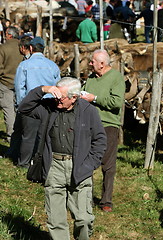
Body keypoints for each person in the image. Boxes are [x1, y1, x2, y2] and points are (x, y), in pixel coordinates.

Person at [17, 78, 107, 240]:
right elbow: (24, 108)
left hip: (80, 168)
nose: (57, 99)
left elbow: (100, 140)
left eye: (62, 96)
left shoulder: (89, 111)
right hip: (54, 166)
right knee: (56, 220)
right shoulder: (49, 107)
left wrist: (90, 164)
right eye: (56, 94)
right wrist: (43, 89)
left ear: (74, 97)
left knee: (84, 219)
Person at [81, 50, 125, 212]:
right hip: (88, 125)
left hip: (108, 126)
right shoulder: (91, 78)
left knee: (108, 164)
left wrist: (95, 99)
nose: (90, 64)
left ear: (102, 63)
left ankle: (106, 200)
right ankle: (86, 197)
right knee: (86, 161)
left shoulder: (116, 78)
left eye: (93, 61)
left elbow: (116, 102)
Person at [14, 37, 61, 168]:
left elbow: (19, 87)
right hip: (49, 104)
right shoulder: (52, 65)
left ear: (30, 48)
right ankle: (41, 162)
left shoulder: (24, 65)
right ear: (44, 49)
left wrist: (21, 104)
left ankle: (24, 163)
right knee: (45, 134)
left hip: (31, 103)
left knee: (28, 135)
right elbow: (59, 84)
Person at [0, 26, 23, 144]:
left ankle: (11, 136)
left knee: (9, 110)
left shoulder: (3, 48)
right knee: (19, 109)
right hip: (21, 83)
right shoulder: (22, 47)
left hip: (6, 82)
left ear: (9, 35)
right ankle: (20, 135)